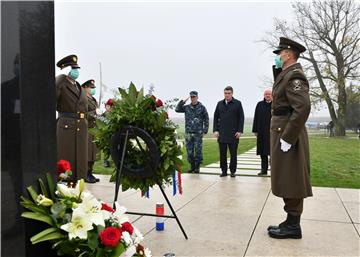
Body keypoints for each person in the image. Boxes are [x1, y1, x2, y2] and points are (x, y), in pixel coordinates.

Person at [267, 37, 312, 239]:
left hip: (287, 133)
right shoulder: (286, 74)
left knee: (291, 177)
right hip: (282, 131)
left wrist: (288, 137)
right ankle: (290, 221)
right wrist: (278, 71)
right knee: (286, 176)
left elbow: (302, 107)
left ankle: (293, 225)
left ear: (288, 53)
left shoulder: (295, 76)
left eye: (280, 53)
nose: (277, 56)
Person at [55, 54, 88, 181]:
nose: (75, 71)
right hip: (66, 125)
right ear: (65, 69)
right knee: (67, 157)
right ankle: (66, 184)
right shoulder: (61, 82)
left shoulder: (77, 85)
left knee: (80, 159)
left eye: (76, 68)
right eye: (72, 68)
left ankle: (79, 182)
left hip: (80, 125)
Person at [213, 86, 245, 177]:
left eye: (228, 93)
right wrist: (215, 130)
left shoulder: (238, 103)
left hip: (234, 134)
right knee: (222, 154)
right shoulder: (219, 104)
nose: (227, 95)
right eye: (225, 93)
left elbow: (241, 118)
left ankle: (232, 171)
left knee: (233, 154)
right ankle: (223, 171)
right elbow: (215, 117)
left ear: (232, 93)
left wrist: (240, 131)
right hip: (222, 133)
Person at [175, 91, 209, 173]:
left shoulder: (202, 107)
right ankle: (192, 167)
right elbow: (177, 109)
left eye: (194, 97)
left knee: (198, 151)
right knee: (189, 151)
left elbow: (206, 119)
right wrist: (183, 101)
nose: (193, 98)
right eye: (191, 97)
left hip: (198, 133)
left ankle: (197, 168)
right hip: (188, 133)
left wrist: (205, 130)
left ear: (197, 97)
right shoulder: (187, 107)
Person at [82, 79, 99, 183]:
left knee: (93, 152)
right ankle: (85, 173)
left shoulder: (93, 99)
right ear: (85, 88)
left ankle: (90, 172)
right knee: (87, 153)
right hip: (86, 128)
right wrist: (94, 112)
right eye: (91, 88)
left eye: (94, 88)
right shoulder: (83, 99)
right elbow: (82, 114)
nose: (93, 90)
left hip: (94, 129)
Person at [252, 89, 272, 176]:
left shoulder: (276, 104)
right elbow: (256, 117)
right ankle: (264, 170)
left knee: (273, 152)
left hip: (272, 132)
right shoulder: (259, 105)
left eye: (269, 94)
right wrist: (255, 130)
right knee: (263, 152)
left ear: (272, 95)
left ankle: (274, 170)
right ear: (264, 95)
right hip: (261, 132)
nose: (267, 95)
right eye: (266, 94)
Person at [102, 98, 113, 168]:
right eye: (108, 106)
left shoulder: (114, 115)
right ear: (106, 106)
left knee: (112, 147)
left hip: (112, 132)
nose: (109, 108)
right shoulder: (103, 114)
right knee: (106, 148)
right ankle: (105, 162)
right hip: (105, 132)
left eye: (111, 107)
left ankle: (112, 160)